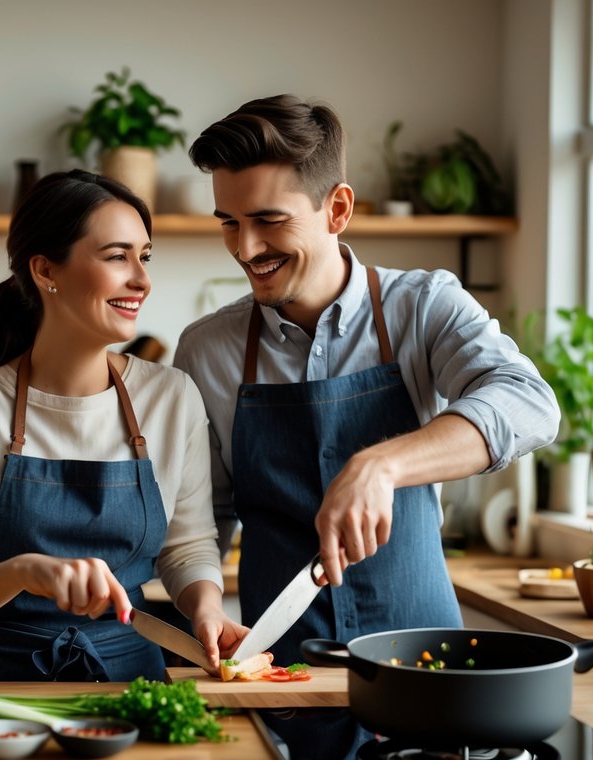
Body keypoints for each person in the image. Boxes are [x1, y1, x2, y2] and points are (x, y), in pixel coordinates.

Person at [173, 95, 559, 666]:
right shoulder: (208, 349)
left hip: (426, 668)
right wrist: (202, 602)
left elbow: (529, 402)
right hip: (279, 670)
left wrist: (381, 465)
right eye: (230, 223)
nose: (245, 248)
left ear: (338, 210)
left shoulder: (425, 308)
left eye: (269, 221)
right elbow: (200, 520)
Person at [0, 169, 246, 682]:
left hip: (134, 683)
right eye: (116, 256)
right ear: (46, 270)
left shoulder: (171, 397)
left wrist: (207, 608)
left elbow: (188, 546)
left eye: (144, 256)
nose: (141, 279)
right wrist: (24, 571)